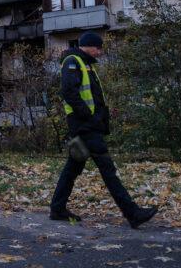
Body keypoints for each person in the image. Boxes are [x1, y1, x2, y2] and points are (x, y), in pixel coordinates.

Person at [50, 31, 158, 229]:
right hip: (85, 127)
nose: (100, 52)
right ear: (88, 46)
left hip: (87, 125)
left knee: (72, 168)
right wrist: (89, 117)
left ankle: (57, 208)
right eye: (98, 48)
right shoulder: (73, 62)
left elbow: (93, 97)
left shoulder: (87, 65)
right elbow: (69, 92)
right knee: (107, 169)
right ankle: (132, 213)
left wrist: (103, 115)